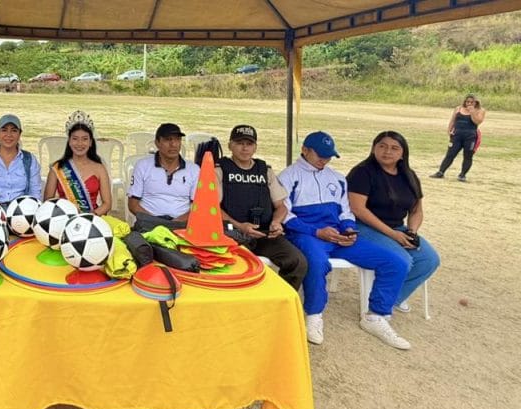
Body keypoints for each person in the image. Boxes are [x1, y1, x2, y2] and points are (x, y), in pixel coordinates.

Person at [278, 131, 411, 350]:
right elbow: (285, 214)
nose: (324, 159)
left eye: (328, 155)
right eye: (319, 154)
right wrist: (316, 232)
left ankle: (376, 315)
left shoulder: (337, 178)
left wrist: (349, 229)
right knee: (317, 263)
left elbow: (346, 211)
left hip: (338, 235)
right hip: (307, 234)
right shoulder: (288, 176)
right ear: (304, 150)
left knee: (394, 261)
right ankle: (313, 314)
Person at [347, 131, 440, 312]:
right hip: (363, 226)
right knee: (401, 258)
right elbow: (358, 209)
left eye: (394, 148)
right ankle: (378, 309)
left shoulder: (409, 175)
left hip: (397, 227)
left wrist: (411, 232)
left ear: (402, 153)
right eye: (382, 146)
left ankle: (393, 297)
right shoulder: (362, 172)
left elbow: (416, 210)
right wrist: (393, 235)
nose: (387, 151)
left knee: (428, 259)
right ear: (374, 148)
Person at [215, 125, 307, 290]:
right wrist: (240, 226)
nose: (244, 148)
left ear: (255, 147)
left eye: (249, 143)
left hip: (265, 234)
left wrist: (277, 222)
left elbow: (281, 206)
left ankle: (280, 301)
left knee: (297, 262)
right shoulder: (220, 170)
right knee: (232, 267)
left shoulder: (264, 170)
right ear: (230, 146)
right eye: (239, 143)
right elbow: (213, 208)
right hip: (232, 233)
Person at [127, 123, 200, 232]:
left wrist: (174, 224)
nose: (173, 144)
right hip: (149, 224)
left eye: (177, 140)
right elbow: (133, 205)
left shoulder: (194, 169)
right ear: (157, 143)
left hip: (181, 225)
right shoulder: (142, 166)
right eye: (168, 139)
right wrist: (157, 223)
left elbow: (198, 207)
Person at [43, 110, 112, 215]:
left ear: (90, 143)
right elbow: (48, 201)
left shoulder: (99, 168)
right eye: (75, 139)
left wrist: (92, 216)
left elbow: (107, 203)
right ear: (69, 141)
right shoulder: (57, 168)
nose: (79, 143)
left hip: (92, 219)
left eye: (84, 139)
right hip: (63, 219)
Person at [431, 94, 486, 182]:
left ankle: (462, 175)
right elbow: (453, 120)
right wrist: (449, 130)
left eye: (472, 102)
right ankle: (441, 172)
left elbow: (477, 121)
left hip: (470, 136)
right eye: (467, 102)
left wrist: (472, 112)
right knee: (450, 154)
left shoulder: (480, 110)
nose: (469, 104)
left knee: (468, 156)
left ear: (476, 102)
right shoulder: (458, 108)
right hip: (457, 135)